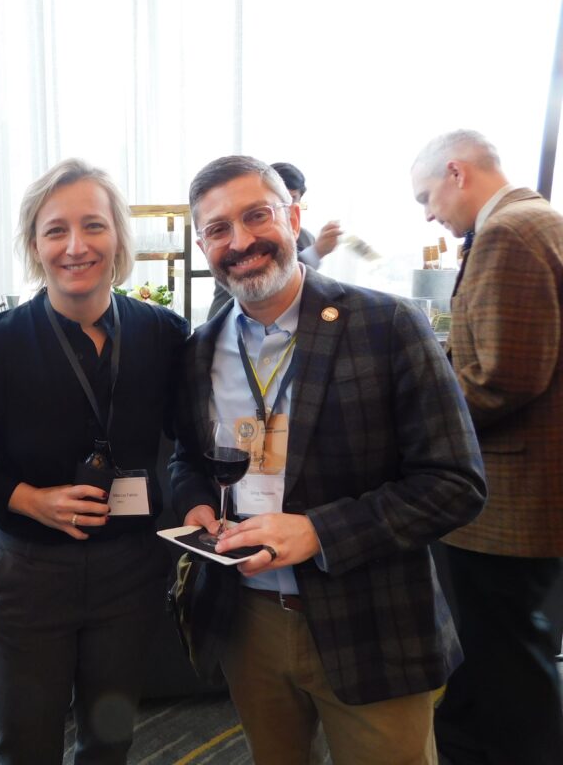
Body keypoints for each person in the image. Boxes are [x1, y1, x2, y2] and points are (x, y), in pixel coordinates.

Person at [171, 155, 486, 764]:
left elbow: (456, 482)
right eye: (217, 229)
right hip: (248, 618)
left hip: (371, 618)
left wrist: (319, 532)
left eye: (256, 216)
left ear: (293, 219)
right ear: (203, 245)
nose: (241, 241)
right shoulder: (199, 351)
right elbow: (188, 458)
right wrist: (196, 503)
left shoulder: (387, 325)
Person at [0, 158, 188, 764]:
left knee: (110, 740)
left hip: (131, 570)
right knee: (26, 744)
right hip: (30, 574)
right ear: (34, 245)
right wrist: (30, 500)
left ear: (118, 236)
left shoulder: (162, 334)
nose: (76, 246)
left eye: (94, 225)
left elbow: (192, 441)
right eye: (55, 230)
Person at [411, 129, 563, 765]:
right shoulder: (538, 222)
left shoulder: (510, 233)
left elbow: (505, 377)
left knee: (509, 661)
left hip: (508, 502)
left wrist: (419, 426)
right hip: (528, 491)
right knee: (505, 648)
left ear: (457, 172)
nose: (428, 215)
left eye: (426, 197)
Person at [206, 161, 342, 319]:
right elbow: (272, 277)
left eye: (292, 198)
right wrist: (316, 252)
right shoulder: (232, 243)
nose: (241, 243)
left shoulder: (306, 237)